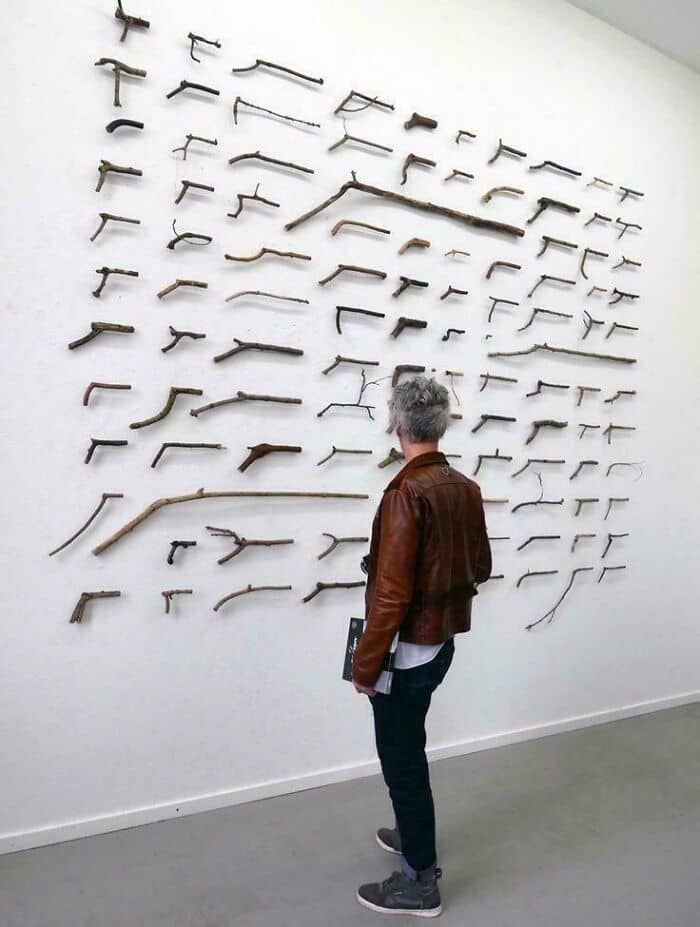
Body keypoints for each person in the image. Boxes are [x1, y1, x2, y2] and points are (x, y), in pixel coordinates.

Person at [352, 376, 492, 918]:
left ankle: (419, 881)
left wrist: (365, 666)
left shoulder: (405, 492)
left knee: (403, 761)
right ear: (443, 425)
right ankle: (412, 834)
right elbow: (481, 566)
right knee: (407, 751)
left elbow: (391, 596)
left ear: (396, 426)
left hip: (406, 654)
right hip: (442, 644)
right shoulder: (465, 487)